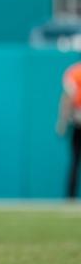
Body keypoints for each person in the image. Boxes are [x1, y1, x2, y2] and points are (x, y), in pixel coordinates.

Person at [56, 61, 81, 199]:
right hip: (77, 122)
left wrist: (62, 123)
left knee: (75, 162)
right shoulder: (75, 73)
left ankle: (70, 198)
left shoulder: (74, 72)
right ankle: (71, 197)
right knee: (75, 161)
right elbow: (68, 98)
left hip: (77, 121)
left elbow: (67, 99)